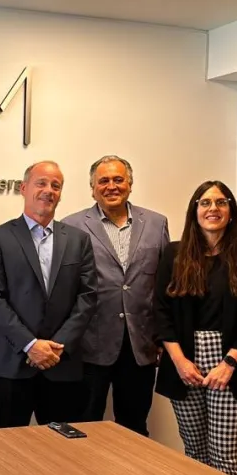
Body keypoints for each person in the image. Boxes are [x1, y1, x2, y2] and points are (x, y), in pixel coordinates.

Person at [154, 180, 237, 475]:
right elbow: (161, 312)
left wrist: (229, 364)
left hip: (230, 363)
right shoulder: (174, 254)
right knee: (194, 453)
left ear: (232, 211)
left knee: (225, 457)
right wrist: (179, 362)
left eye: (221, 202)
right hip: (184, 362)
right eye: (205, 203)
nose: (213, 209)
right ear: (195, 211)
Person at [0, 161, 97, 428]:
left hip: (61, 364)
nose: (49, 190)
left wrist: (56, 347)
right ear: (23, 188)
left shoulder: (78, 240)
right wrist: (31, 344)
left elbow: (87, 297)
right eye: (41, 183)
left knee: (63, 454)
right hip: (11, 364)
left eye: (56, 185)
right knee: (5, 452)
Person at [62, 155, 169, 436]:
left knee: (134, 428)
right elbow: (65, 288)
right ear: (92, 188)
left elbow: (164, 284)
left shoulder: (156, 224)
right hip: (89, 345)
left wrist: (162, 336)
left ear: (130, 184)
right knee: (83, 427)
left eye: (118, 179)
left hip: (140, 345)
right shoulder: (71, 225)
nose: (112, 186)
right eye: (104, 181)